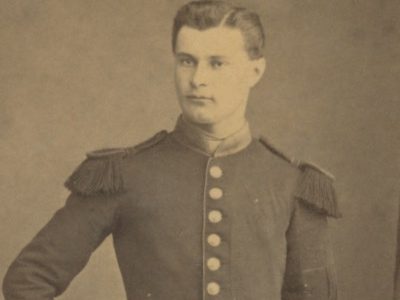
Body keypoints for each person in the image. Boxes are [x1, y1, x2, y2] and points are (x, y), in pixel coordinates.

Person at [2, 1, 341, 299]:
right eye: (186, 61)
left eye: (217, 63)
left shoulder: (291, 183)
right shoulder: (124, 174)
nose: (198, 80)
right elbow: (27, 281)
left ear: (254, 71)